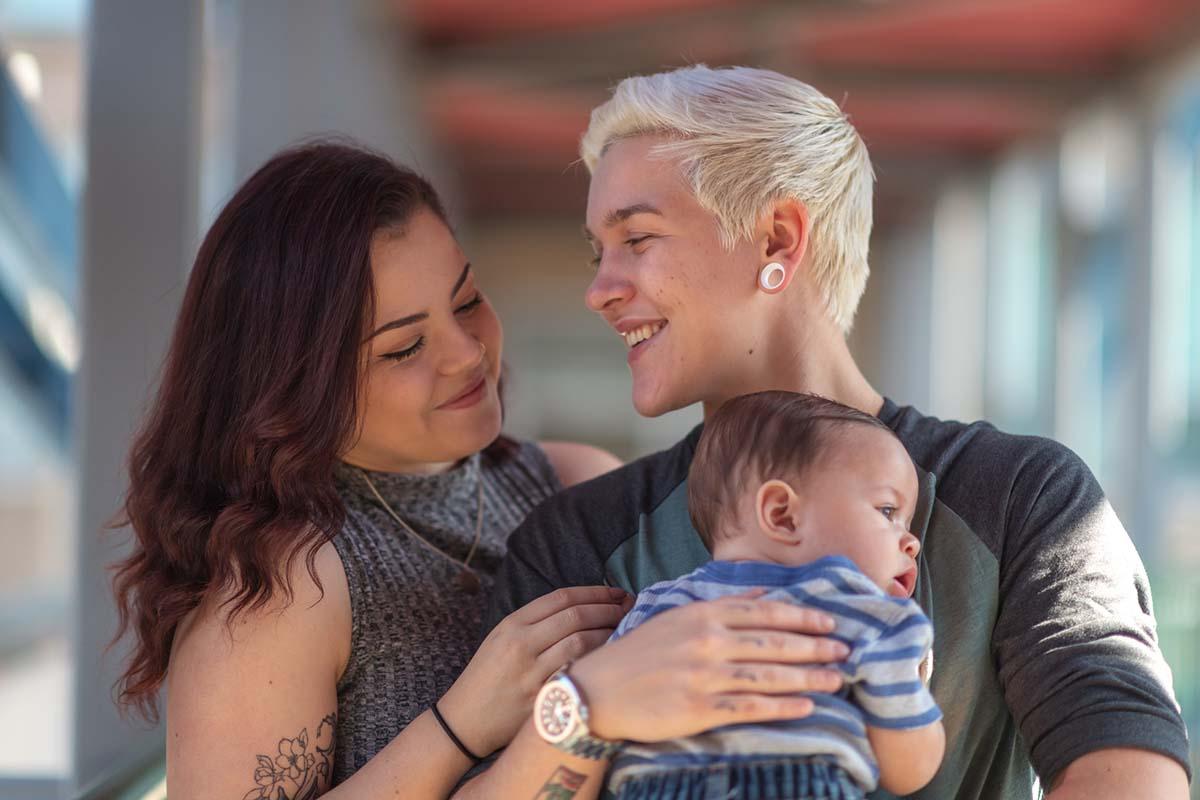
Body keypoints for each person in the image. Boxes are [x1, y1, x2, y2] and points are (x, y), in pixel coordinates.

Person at [486, 65, 1191, 799]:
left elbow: (1131, 776)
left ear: (777, 240)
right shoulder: (575, 542)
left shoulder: (1021, 498)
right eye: (598, 252)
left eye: (637, 237)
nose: (600, 289)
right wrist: (583, 709)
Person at [111, 141, 852, 800]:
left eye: (467, 300)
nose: (467, 353)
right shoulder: (280, 583)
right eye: (404, 348)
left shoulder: (569, 479)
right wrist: (461, 724)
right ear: (293, 383)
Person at [605, 391, 944, 800]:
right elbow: (910, 771)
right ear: (782, 514)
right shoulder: (865, 614)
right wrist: (907, 678)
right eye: (888, 511)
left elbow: (605, 717)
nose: (912, 542)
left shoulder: (654, 607)